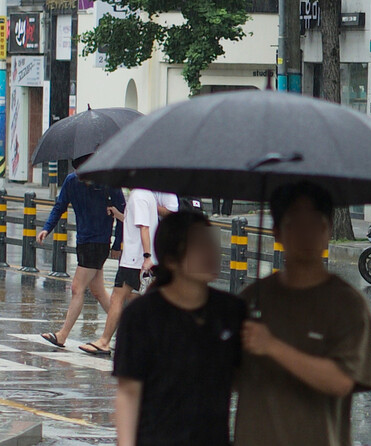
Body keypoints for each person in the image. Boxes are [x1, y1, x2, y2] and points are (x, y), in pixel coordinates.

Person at [235, 182, 371, 446]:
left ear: (329, 230)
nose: (307, 234)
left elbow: (341, 381)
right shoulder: (251, 300)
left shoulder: (348, 305)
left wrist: (272, 346)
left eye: (316, 224)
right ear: (277, 232)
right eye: (296, 224)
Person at [113, 211, 245, 446]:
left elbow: (241, 380)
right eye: (199, 246)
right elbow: (128, 392)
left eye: (211, 243)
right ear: (171, 259)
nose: (211, 253)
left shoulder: (231, 310)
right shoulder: (141, 316)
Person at [40, 155, 126, 349]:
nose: (80, 177)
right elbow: (59, 206)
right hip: (83, 240)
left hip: (99, 242)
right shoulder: (71, 181)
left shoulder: (108, 182)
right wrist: (47, 228)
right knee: (98, 291)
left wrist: (117, 243)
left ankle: (62, 335)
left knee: (77, 288)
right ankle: (126, 329)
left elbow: (123, 212)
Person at [78, 189, 178, 355]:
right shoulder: (148, 196)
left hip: (134, 259)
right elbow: (136, 222)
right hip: (141, 258)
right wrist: (118, 214)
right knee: (136, 300)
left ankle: (104, 341)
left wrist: (146, 256)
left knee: (117, 298)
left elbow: (143, 228)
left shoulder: (138, 196)